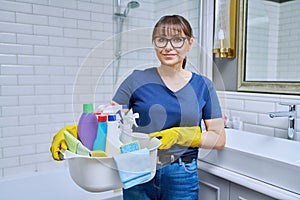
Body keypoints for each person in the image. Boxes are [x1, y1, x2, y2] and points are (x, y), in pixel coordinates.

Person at [51, 15, 225, 200]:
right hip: (136, 168)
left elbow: (218, 138)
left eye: (177, 40)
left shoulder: (203, 86)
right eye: (161, 39)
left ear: (190, 43)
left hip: (181, 173)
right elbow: (110, 120)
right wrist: (77, 132)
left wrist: (181, 135)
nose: (168, 46)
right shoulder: (136, 80)